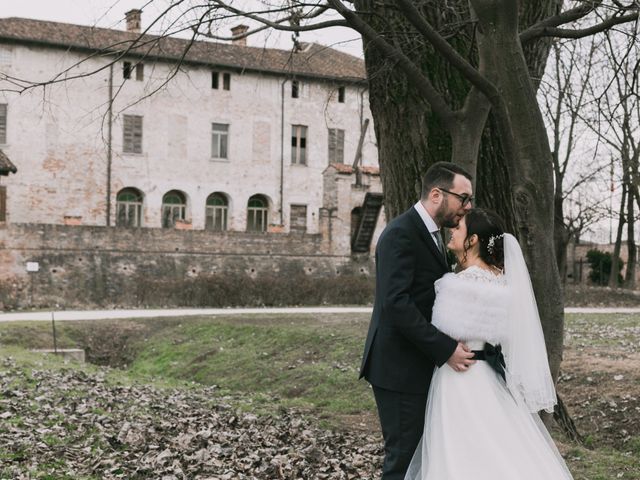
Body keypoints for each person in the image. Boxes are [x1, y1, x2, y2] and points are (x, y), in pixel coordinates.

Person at [405, 209, 574, 479]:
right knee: (496, 442)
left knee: (459, 449)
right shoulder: (504, 282)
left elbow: (442, 329)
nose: (452, 230)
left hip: (459, 376)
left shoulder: (458, 283)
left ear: (472, 240)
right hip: (491, 375)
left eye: (458, 228)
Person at [360, 161, 477, 479]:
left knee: (420, 458)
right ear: (437, 194)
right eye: (463, 198)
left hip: (416, 365)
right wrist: (445, 349)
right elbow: (396, 305)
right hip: (398, 369)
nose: (467, 207)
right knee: (403, 460)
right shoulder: (400, 233)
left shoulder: (434, 234)